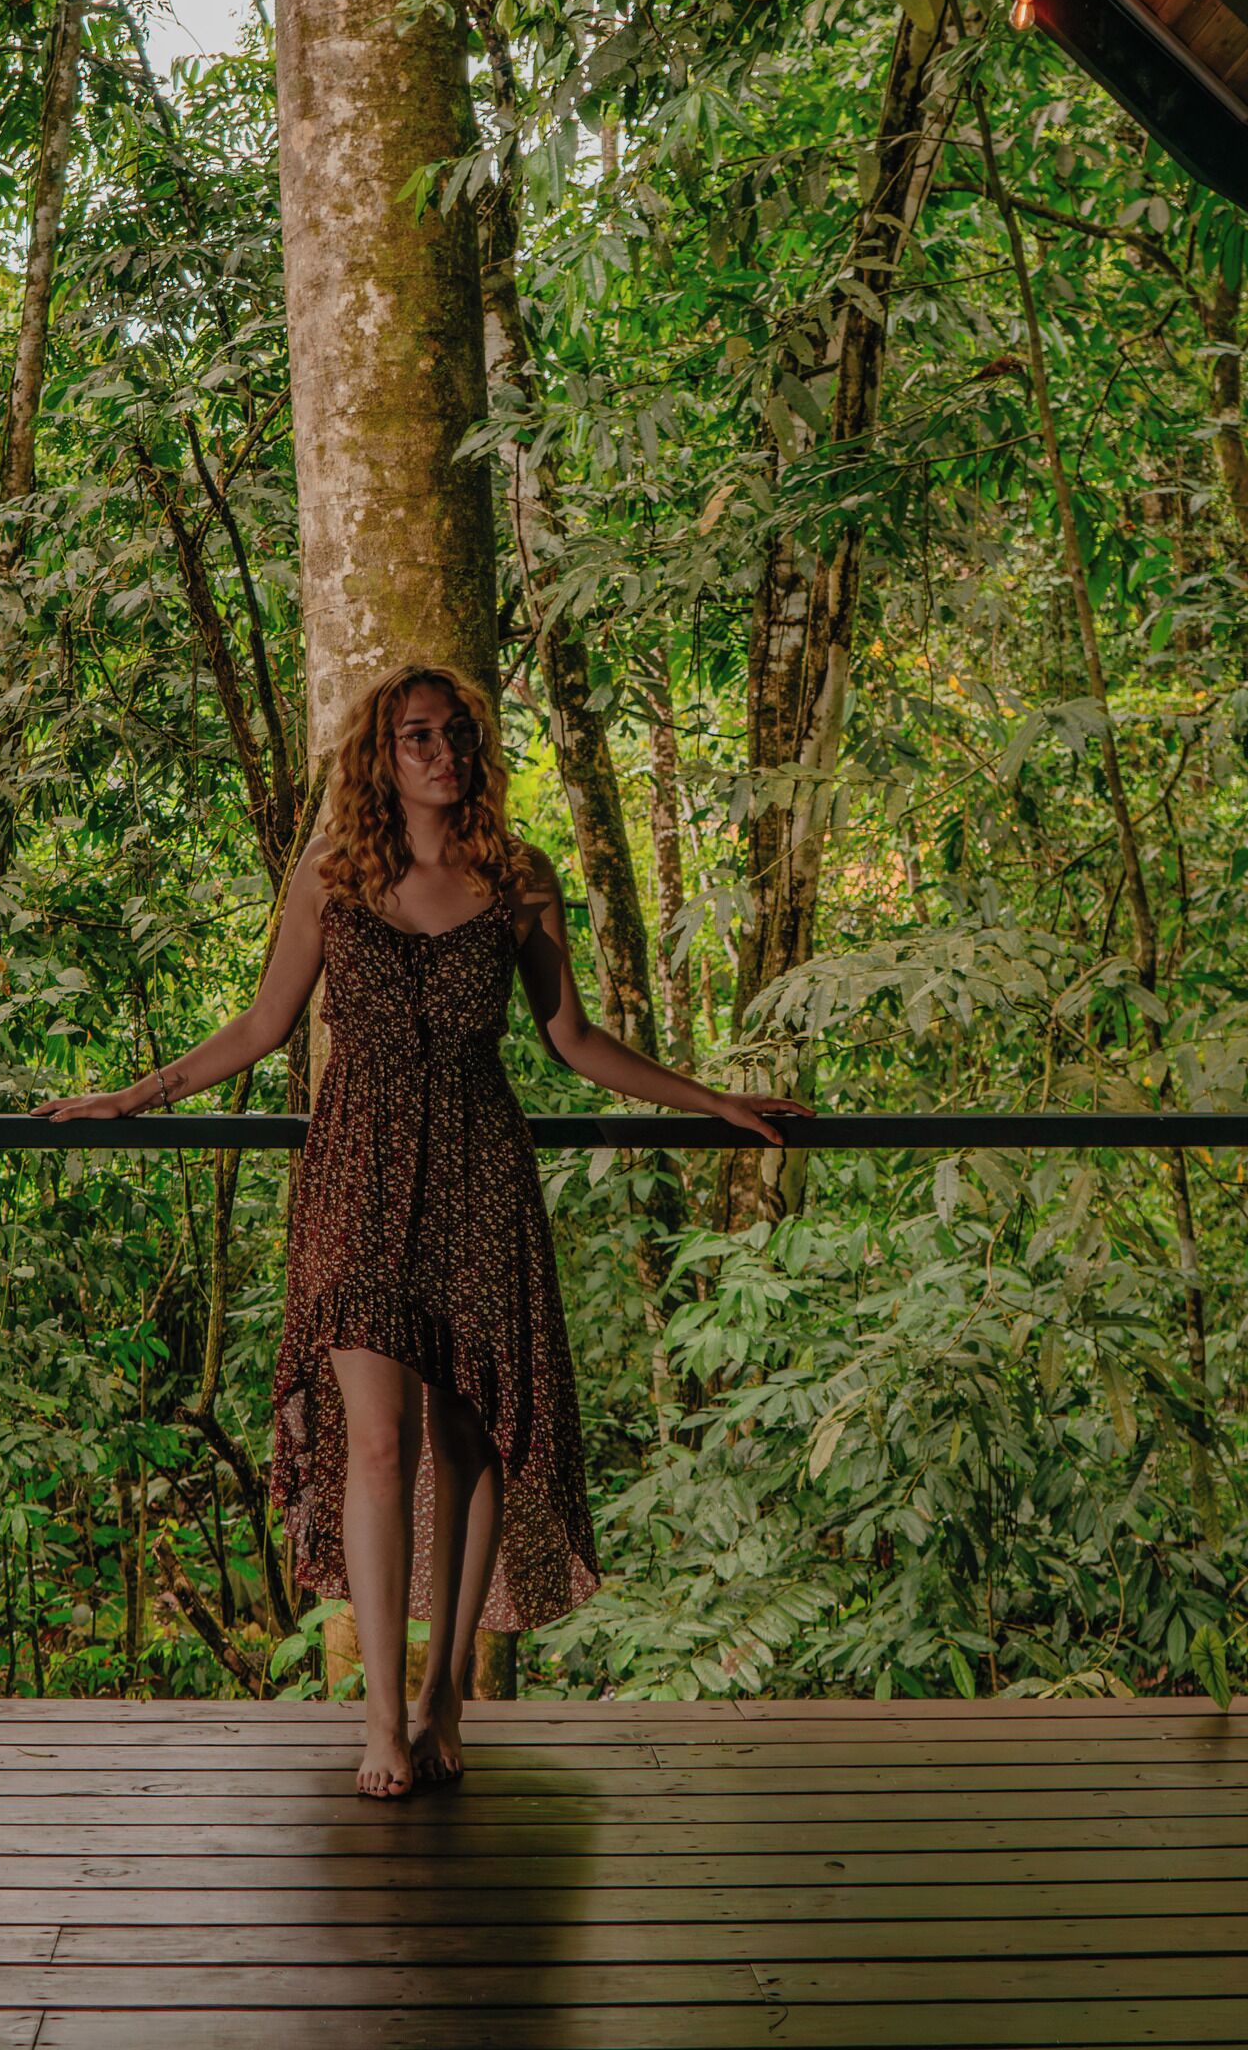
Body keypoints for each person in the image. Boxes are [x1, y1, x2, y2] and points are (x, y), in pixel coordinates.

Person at [40, 661, 801, 1797]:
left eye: (458, 736)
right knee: (381, 1445)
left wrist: (713, 1097)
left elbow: (575, 1043)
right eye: (418, 738)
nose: (445, 754)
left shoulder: (519, 878)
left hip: (481, 1171)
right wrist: (126, 1098)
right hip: (357, 1170)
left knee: (476, 1433)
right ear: (379, 756)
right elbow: (259, 1026)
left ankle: (450, 1691)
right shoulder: (332, 878)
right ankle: (382, 1719)